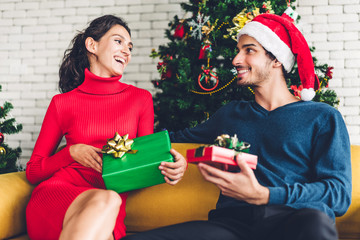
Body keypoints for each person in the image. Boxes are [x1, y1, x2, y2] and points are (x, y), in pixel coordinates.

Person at [122, 11, 351, 240]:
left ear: (277, 59)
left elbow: (339, 193)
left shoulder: (322, 117)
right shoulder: (231, 114)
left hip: (294, 221)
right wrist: (173, 155)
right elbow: (172, 138)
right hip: (233, 225)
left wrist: (266, 195)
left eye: (249, 50)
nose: (236, 60)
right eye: (238, 51)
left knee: (315, 223)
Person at [25, 15, 187, 240]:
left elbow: (142, 164)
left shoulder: (140, 99)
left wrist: (172, 167)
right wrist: (70, 153)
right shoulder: (62, 103)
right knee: (109, 198)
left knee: (109, 199)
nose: (127, 51)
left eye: (130, 46)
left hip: (109, 203)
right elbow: (33, 171)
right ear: (92, 45)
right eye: (118, 41)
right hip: (58, 195)